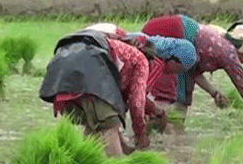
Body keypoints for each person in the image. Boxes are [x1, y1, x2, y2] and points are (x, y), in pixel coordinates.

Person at [39, 23, 179, 156]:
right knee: (109, 126)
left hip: (59, 70)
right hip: (89, 68)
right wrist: (141, 136)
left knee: (94, 125)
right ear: (148, 56)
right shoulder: (140, 58)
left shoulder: (115, 48)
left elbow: (105, 112)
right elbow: (136, 104)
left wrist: (127, 148)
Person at [141, 14, 243, 127]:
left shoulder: (220, 44)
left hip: (178, 31)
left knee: (183, 94)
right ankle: (151, 126)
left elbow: (193, 71)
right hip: (172, 33)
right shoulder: (229, 54)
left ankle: (172, 130)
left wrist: (214, 93)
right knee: (168, 91)